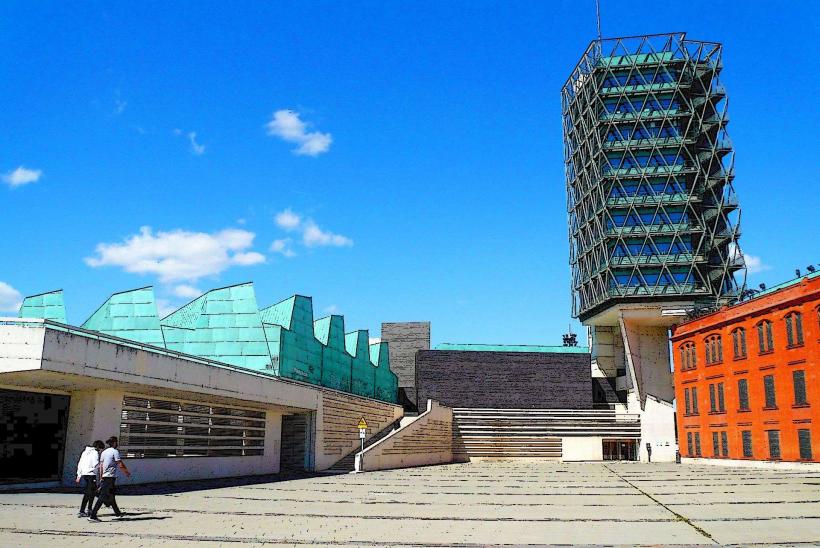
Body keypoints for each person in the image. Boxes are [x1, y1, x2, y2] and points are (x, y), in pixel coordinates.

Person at [88, 436, 131, 522]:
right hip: (110, 477)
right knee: (102, 496)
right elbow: (120, 463)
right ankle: (93, 515)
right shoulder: (115, 452)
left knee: (111, 495)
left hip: (105, 476)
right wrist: (126, 472)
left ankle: (117, 513)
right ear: (115, 443)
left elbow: (101, 466)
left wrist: (101, 477)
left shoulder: (104, 452)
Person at [75, 440, 104, 517]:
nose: (100, 451)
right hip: (91, 474)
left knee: (90, 492)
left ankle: (87, 510)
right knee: (90, 493)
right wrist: (100, 466)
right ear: (98, 447)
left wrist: (79, 475)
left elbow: (80, 463)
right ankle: (85, 510)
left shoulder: (85, 452)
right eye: (100, 449)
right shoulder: (95, 452)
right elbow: (95, 463)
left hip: (85, 474)